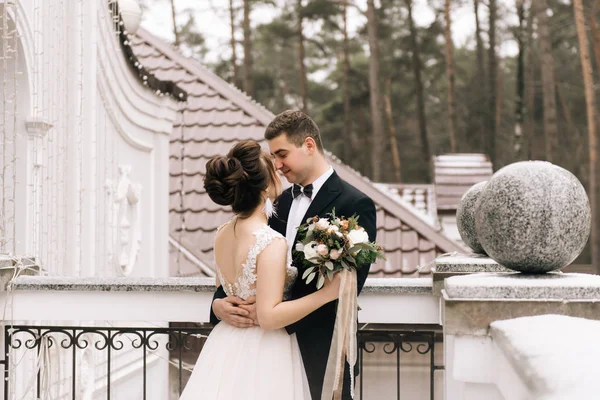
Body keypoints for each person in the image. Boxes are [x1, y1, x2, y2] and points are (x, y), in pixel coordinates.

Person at [211, 110, 377, 400]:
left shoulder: (356, 204)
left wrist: (269, 315)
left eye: (282, 154)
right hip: (262, 349)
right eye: (273, 157)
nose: (277, 165)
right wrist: (218, 305)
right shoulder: (276, 202)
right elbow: (247, 261)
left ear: (309, 146)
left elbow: (348, 287)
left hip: (320, 348)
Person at [180, 140, 342, 400]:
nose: (279, 171)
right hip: (264, 350)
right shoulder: (271, 242)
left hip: (226, 343)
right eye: (272, 168)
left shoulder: (222, 234)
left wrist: (219, 304)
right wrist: (328, 293)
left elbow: (223, 288)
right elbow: (268, 317)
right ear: (265, 187)